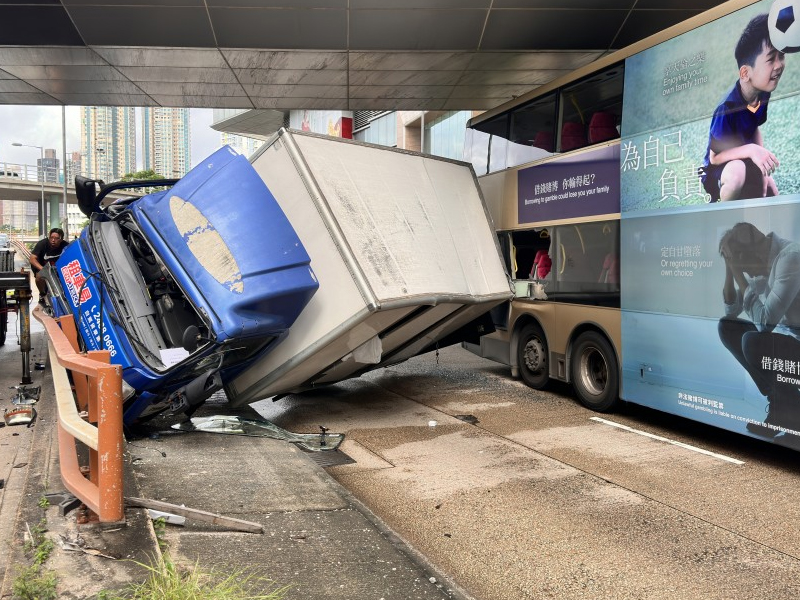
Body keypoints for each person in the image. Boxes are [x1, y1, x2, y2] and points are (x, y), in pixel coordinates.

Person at [718, 222, 800, 438]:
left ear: (749, 255)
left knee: (753, 342)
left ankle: (791, 409)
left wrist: (737, 271)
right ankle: (783, 405)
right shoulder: (765, 264)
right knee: (727, 327)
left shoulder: (790, 258)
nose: (747, 275)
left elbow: (765, 323)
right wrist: (730, 268)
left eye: (744, 268)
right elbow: (731, 310)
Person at [699, 14, 785, 202]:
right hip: (717, 170)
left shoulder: (763, 93)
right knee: (737, 172)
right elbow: (714, 158)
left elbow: (754, 127)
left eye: (781, 55)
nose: (779, 64)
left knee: (771, 189)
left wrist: (760, 159)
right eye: (771, 58)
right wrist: (752, 151)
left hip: (742, 157)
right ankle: (723, 212)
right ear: (745, 73)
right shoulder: (726, 108)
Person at [30, 227, 68, 306]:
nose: (53, 240)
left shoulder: (65, 246)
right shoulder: (42, 244)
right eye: (51, 237)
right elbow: (32, 259)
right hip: (43, 267)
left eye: (56, 238)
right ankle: (42, 294)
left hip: (58, 269)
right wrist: (43, 269)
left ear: (61, 239)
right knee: (39, 277)